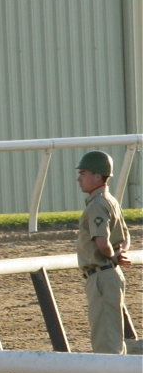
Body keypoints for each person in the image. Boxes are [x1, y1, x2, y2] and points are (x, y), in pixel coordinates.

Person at [75, 151, 132, 357]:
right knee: (113, 338)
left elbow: (101, 242)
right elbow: (126, 238)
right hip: (110, 275)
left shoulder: (97, 205)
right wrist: (118, 254)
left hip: (100, 276)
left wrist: (111, 255)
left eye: (83, 173)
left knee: (105, 343)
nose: (79, 178)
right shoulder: (111, 201)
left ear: (98, 176)